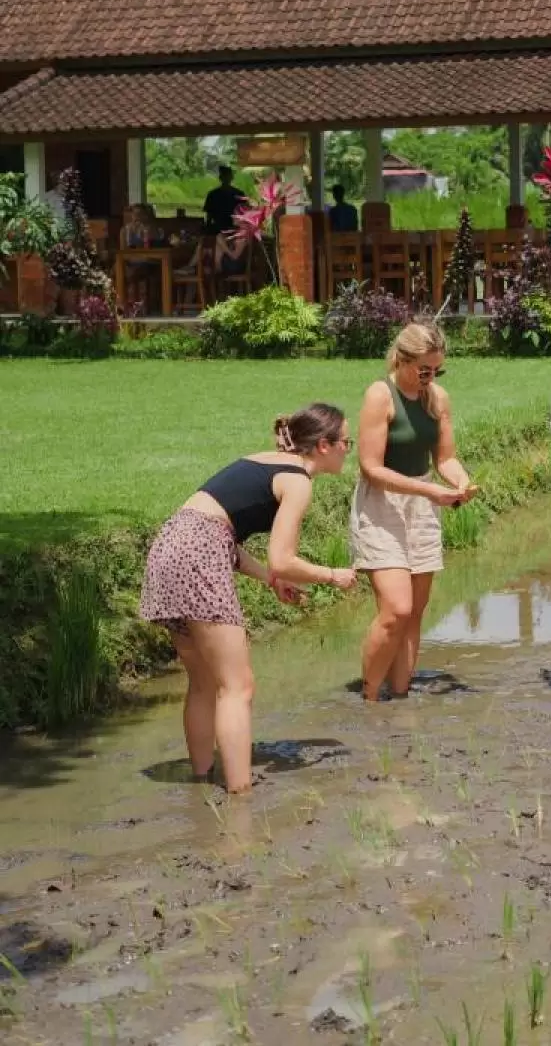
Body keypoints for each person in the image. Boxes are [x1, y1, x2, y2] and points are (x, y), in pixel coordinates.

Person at [139, 404, 357, 792]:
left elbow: (221, 531)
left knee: (205, 682)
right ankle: (240, 795)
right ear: (323, 445)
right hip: (199, 554)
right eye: (346, 442)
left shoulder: (264, 462)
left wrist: (271, 581)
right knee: (238, 686)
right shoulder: (298, 481)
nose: (348, 449)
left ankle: (203, 778)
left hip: (170, 546)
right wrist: (331, 575)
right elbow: (283, 558)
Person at [353, 322, 477, 701]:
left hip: (423, 506)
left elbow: (446, 458)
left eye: (437, 369)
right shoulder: (381, 395)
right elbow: (370, 467)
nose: (430, 376)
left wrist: (460, 483)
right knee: (396, 609)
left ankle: (401, 698)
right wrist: (428, 490)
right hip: (382, 505)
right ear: (402, 359)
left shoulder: (437, 398)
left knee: (415, 612)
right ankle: (370, 699)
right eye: (425, 369)